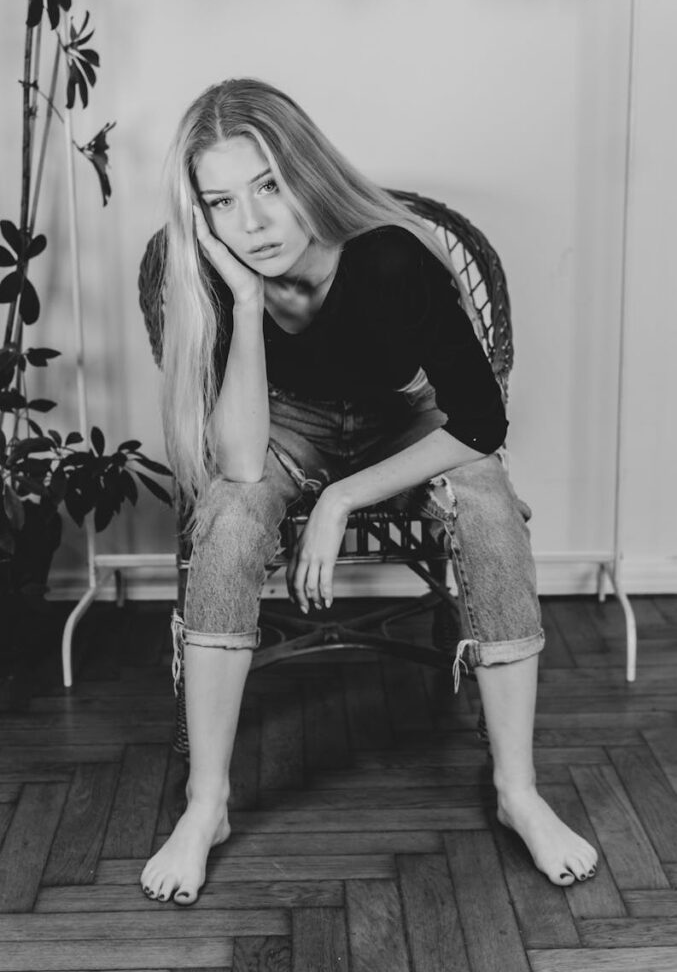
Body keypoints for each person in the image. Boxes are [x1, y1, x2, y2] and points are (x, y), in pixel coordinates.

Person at [139, 77, 598, 906]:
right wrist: (243, 303)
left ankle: (518, 791)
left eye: (269, 187)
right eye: (221, 201)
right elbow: (242, 465)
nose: (252, 223)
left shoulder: (388, 257)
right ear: (201, 213)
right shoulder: (217, 274)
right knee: (231, 517)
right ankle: (206, 805)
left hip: (407, 418)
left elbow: (480, 422)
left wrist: (344, 496)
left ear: (306, 174)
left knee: (487, 504)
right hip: (286, 424)